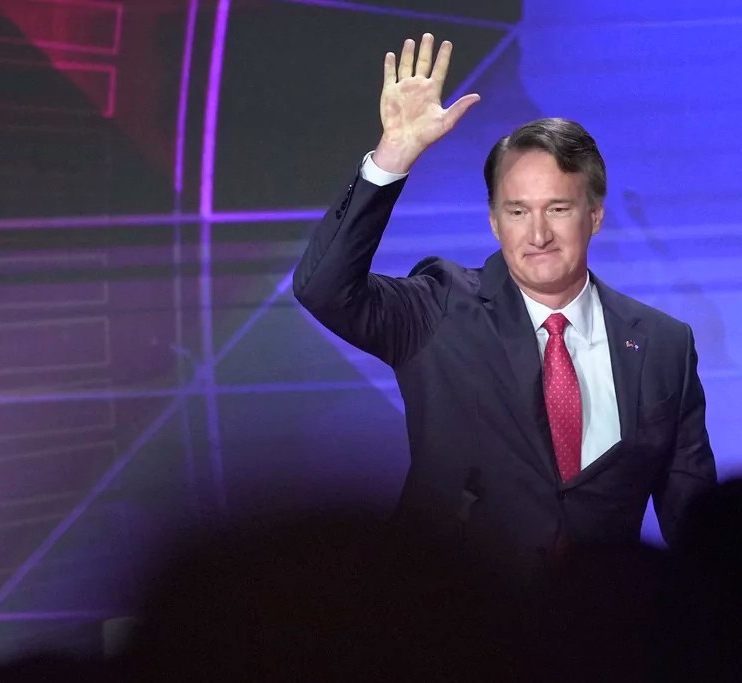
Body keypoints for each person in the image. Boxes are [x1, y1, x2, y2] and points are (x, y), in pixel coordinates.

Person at [293, 33, 716, 577]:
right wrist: (392, 156)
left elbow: (698, 527)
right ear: (494, 222)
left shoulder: (663, 344)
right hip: (455, 620)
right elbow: (323, 289)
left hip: (601, 624)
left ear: (594, 216)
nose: (537, 234)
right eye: (517, 212)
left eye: (558, 209)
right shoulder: (438, 308)